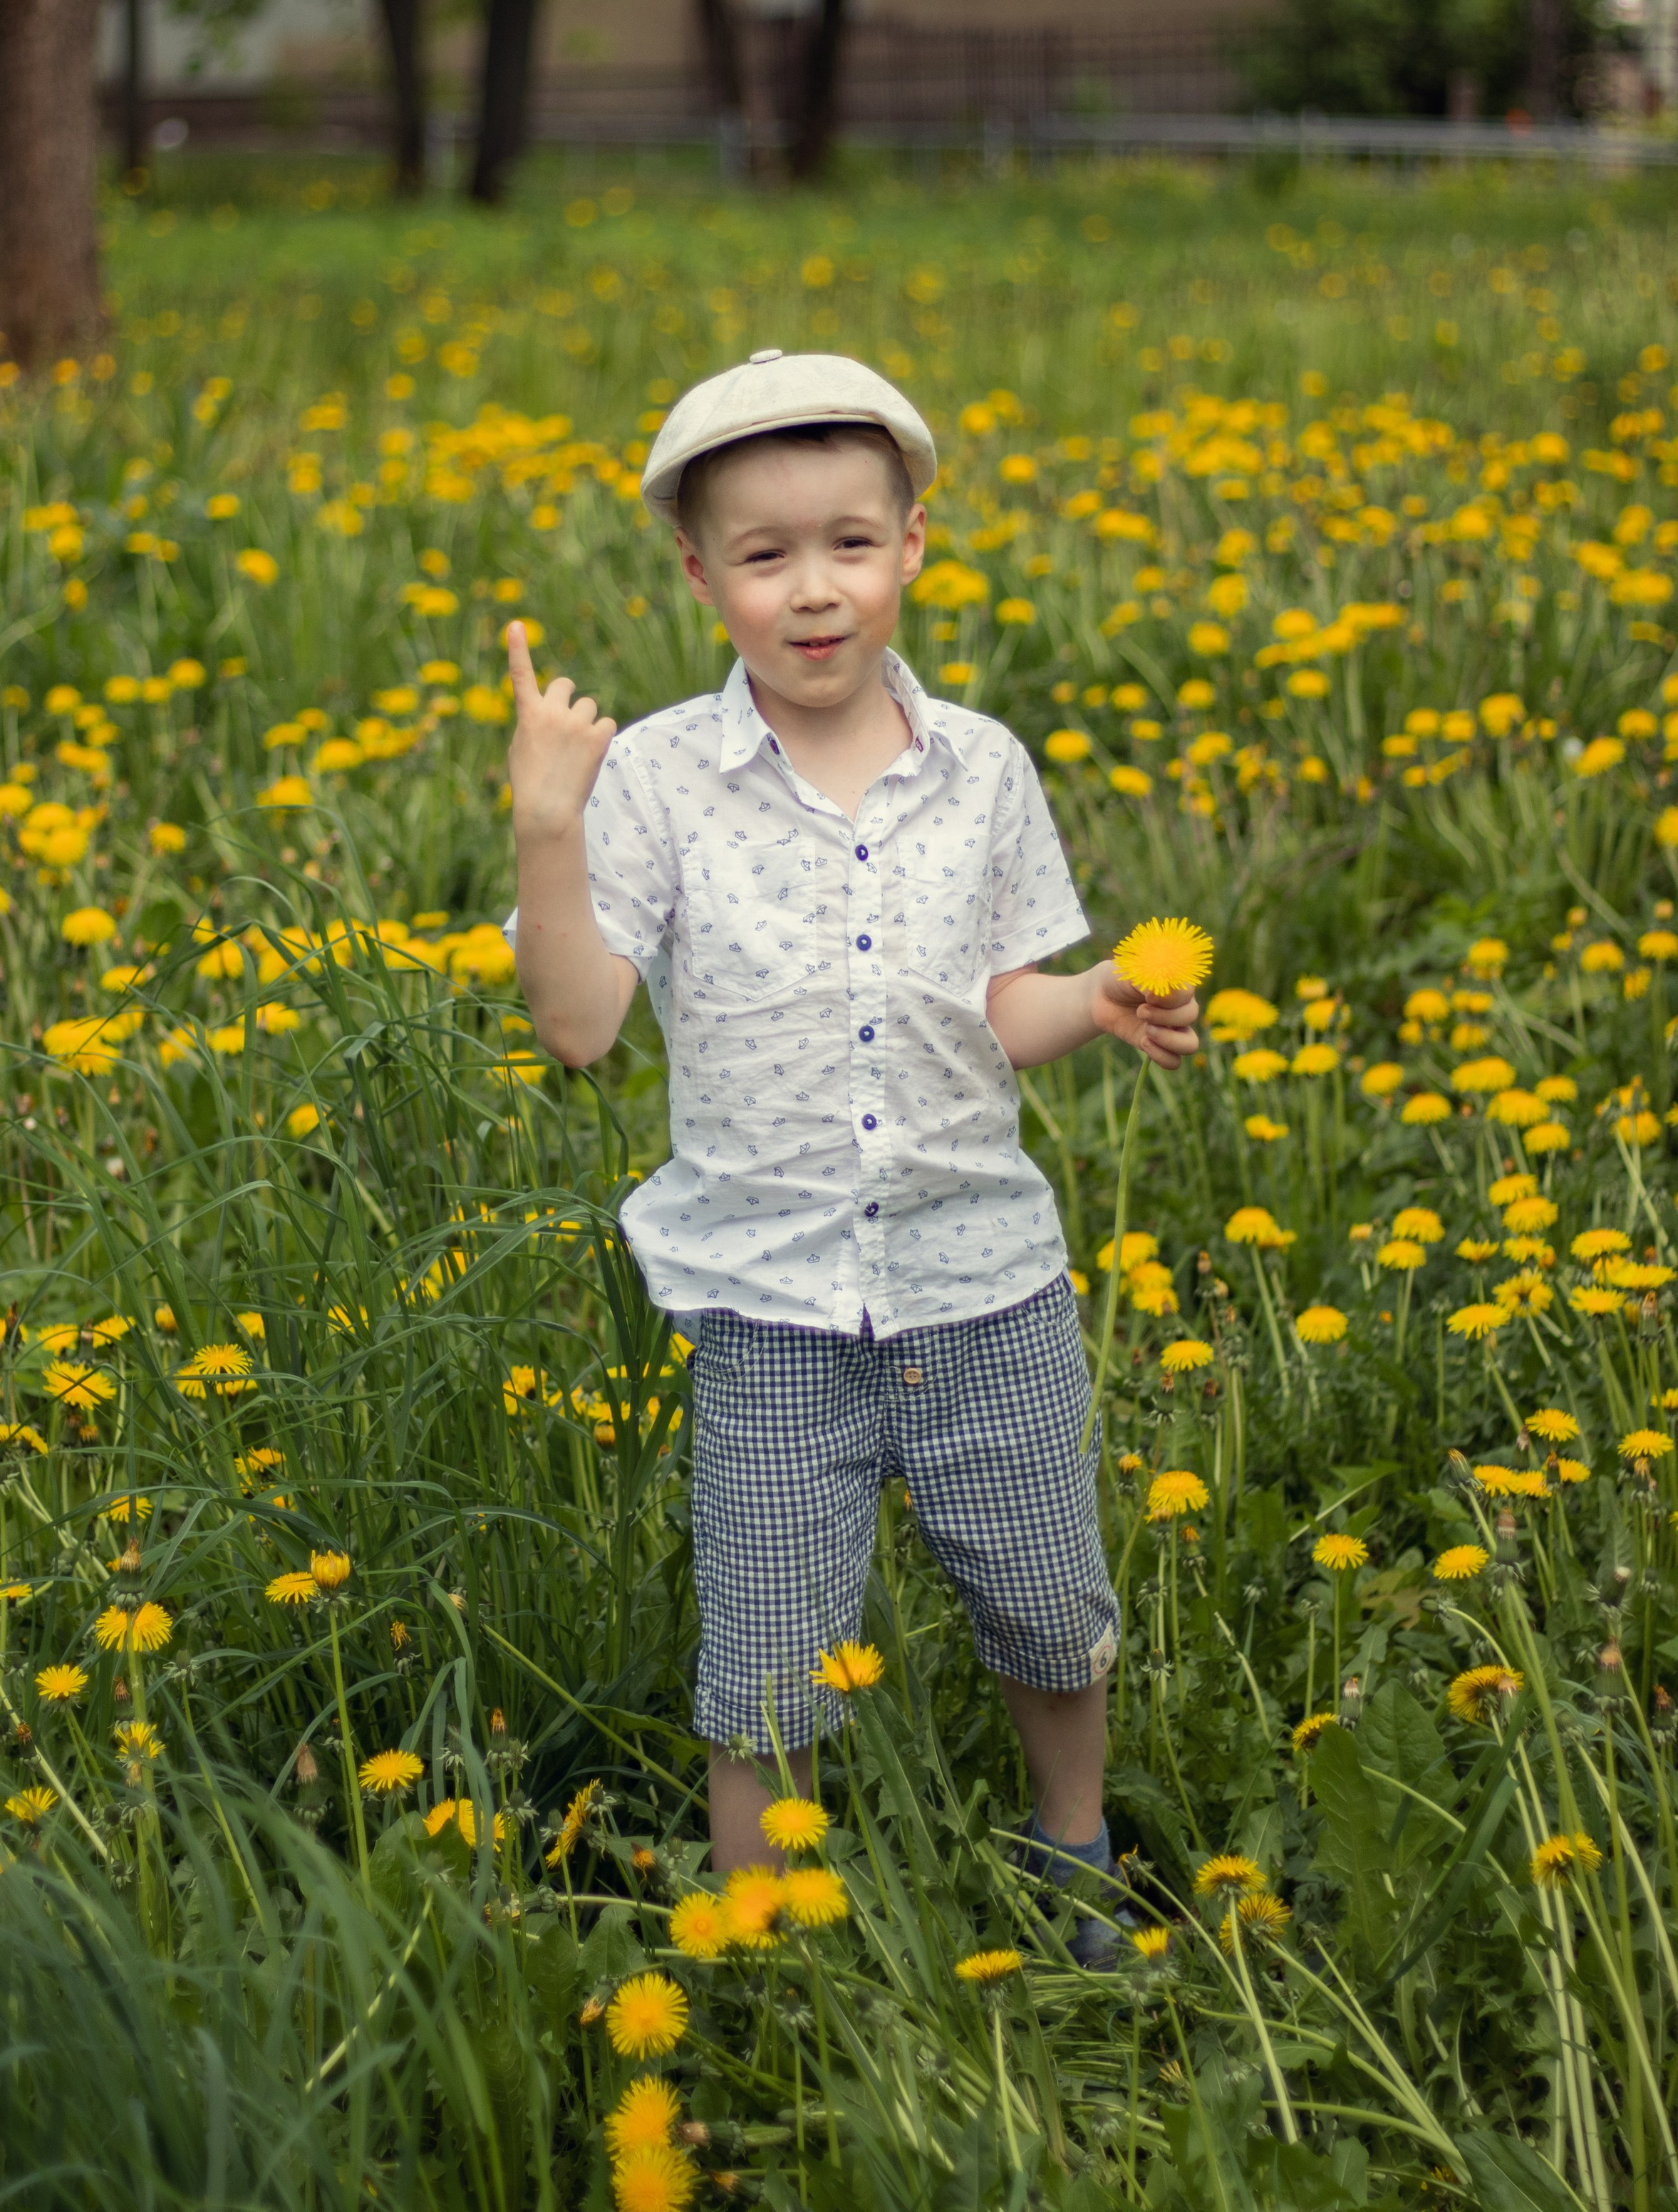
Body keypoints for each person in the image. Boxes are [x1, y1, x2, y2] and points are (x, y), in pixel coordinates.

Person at [504, 349, 1198, 1955]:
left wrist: (1088, 1001)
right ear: (699, 574)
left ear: (910, 546)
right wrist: (549, 823)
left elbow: (991, 1000)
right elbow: (579, 1027)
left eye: (848, 544)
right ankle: (765, 1953)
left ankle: (1072, 1851)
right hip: (768, 1305)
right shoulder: (659, 783)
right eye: (763, 555)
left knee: (1047, 1603)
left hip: (981, 1278)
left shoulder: (984, 769)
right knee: (763, 1658)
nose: (811, 590)